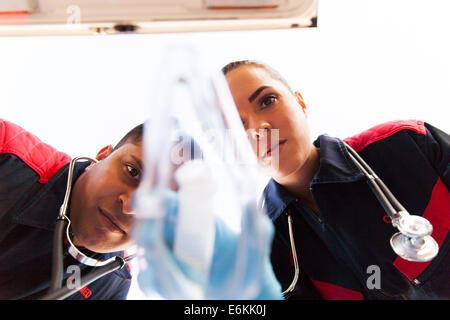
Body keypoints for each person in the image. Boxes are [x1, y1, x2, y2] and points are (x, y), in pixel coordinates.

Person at [222, 60, 450, 300]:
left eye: (267, 101)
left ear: (300, 102)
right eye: (238, 125)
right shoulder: (264, 246)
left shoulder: (408, 144)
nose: (260, 127)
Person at [0, 118, 143, 299]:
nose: (130, 207)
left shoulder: (113, 286)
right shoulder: (5, 151)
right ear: (103, 156)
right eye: (132, 172)